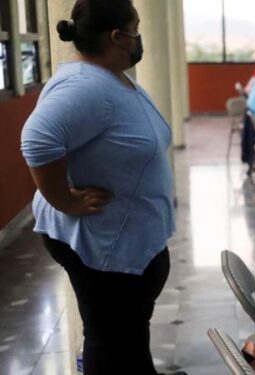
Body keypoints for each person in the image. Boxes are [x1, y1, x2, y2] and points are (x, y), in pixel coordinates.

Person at [19, 1, 182, 374]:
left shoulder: (108, 76)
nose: (140, 37)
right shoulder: (85, 85)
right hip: (103, 243)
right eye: (136, 28)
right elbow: (37, 140)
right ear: (117, 37)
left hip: (122, 242)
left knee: (124, 338)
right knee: (109, 341)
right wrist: (62, 199)